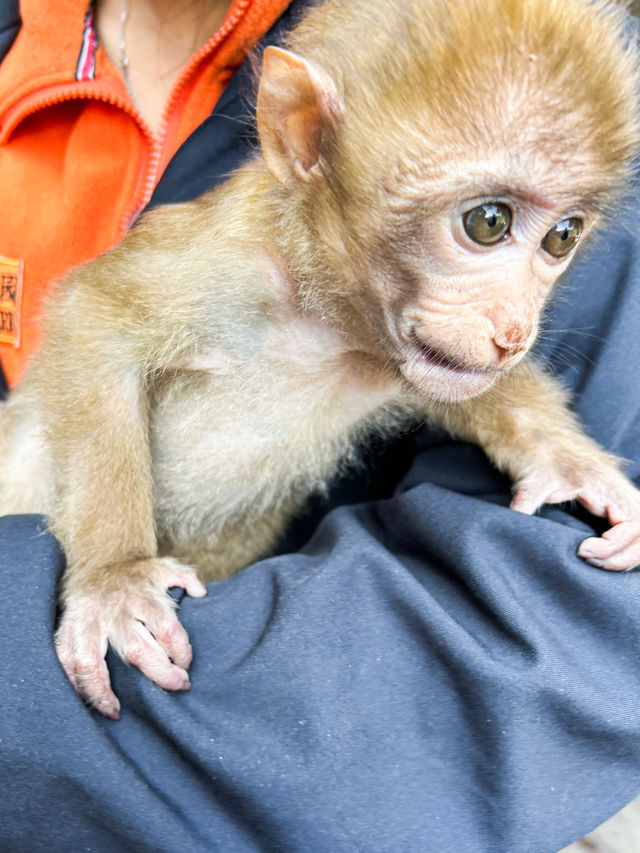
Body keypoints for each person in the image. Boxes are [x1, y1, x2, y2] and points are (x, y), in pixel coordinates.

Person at [0, 1, 638, 850]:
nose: (518, 318)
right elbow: (92, 327)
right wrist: (111, 561)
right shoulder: (244, 260)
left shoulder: (393, 299)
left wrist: (557, 446)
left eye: (562, 236)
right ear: (305, 134)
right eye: (486, 223)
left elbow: (484, 385)